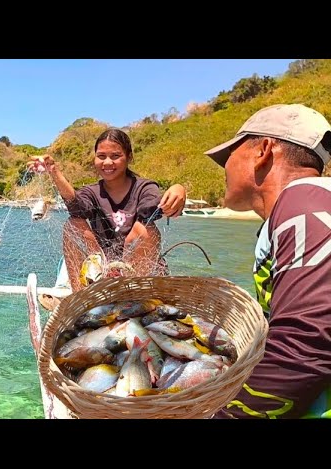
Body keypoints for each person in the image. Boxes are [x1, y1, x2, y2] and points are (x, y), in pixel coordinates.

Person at [204, 103, 331, 419]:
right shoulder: (303, 206)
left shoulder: (303, 203)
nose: (225, 168)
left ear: (262, 151)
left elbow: (307, 344)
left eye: (229, 156)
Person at [28, 127, 186, 292]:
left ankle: (132, 298)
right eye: (101, 156)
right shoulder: (91, 192)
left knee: (147, 229)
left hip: (136, 273)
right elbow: (76, 208)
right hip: (102, 270)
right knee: (72, 225)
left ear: (129, 157)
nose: (108, 163)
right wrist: (54, 171)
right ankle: (81, 298)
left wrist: (178, 189)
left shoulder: (144, 187)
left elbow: (152, 207)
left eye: (115, 156)